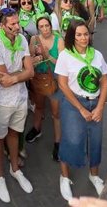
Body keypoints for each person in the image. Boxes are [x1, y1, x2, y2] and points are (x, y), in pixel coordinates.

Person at [55, 19, 107, 202]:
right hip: (73, 104)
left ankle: (94, 175)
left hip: (95, 103)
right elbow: (62, 85)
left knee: (95, 140)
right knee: (71, 139)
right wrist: (80, 109)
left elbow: (104, 81)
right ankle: (64, 177)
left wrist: (100, 106)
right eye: (78, 35)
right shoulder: (65, 56)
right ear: (72, 36)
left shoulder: (97, 55)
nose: (83, 38)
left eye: (86, 34)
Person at [0, 8, 34, 203]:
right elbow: (3, 80)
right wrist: (21, 74)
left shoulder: (22, 40)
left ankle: (14, 169)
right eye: (12, 24)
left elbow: (30, 72)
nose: (17, 27)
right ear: (2, 26)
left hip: (21, 97)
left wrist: (17, 76)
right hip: (1, 100)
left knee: (14, 133)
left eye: (17, 23)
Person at [26, 15, 64, 161]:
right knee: (39, 107)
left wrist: (48, 56)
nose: (45, 29)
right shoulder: (34, 40)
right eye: (41, 26)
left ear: (51, 25)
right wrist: (35, 58)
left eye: (47, 25)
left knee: (56, 113)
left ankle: (58, 142)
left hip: (53, 79)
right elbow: (29, 60)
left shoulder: (59, 40)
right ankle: (37, 128)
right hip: (38, 78)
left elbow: (62, 63)